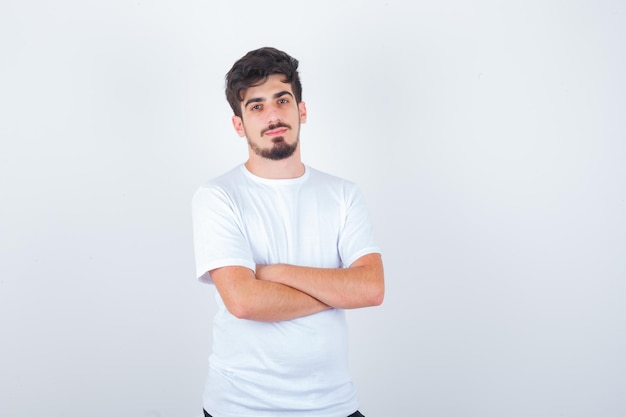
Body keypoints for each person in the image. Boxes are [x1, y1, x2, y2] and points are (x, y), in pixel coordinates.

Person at [192, 46, 385, 417]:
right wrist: (340, 291)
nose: (274, 114)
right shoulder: (218, 196)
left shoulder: (343, 194)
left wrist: (275, 273)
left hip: (334, 405)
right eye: (256, 106)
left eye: (282, 99)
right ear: (239, 124)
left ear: (302, 110)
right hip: (241, 407)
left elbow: (372, 289)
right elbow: (244, 302)